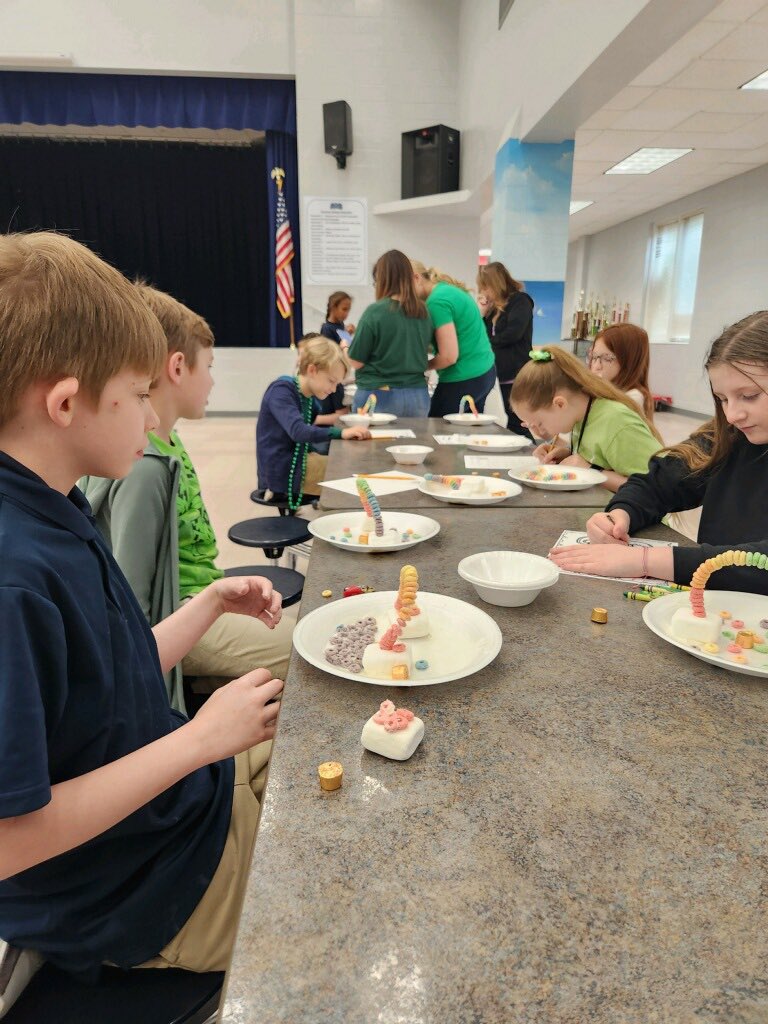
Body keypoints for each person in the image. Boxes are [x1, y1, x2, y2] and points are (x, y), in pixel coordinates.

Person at [0, 232, 283, 988]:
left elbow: (101, 682)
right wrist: (198, 741)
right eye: (137, 395)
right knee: (349, 896)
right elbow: (8, 840)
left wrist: (207, 604)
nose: (151, 419)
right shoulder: (13, 578)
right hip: (145, 886)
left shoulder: (51, 505)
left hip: (176, 810)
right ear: (66, 403)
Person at [81, 283, 295, 710]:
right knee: (311, 652)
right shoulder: (145, 466)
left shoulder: (167, 442)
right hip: (180, 618)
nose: (213, 380)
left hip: (201, 598)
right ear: (178, 366)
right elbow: (135, 608)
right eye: (209, 366)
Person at [549, 311, 768, 594]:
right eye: (723, 399)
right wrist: (620, 514)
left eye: (749, 396)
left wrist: (647, 560)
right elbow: (658, 482)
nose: (732, 414)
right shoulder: (727, 436)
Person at [510, 346, 664, 493]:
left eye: (539, 423)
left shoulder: (618, 422)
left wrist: (590, 470)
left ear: (560, 404)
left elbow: (656, 487)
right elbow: (600, 456)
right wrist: (568, 455)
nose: (539, 430)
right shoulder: (580, 415)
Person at [257, 334, 369, 508]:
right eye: (331, 381)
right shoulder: (281, 391)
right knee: (348, 475)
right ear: (312, 370)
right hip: (281, 471)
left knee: (351, 468)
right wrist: (341, 432)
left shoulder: (309, 398)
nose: (333, 389)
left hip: (299, 461)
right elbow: (299, 431)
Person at [347, 249, 433, 418]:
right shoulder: (424, 311)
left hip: (378, 394)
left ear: (381, 280)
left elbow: (356, 361)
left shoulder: (375, 312)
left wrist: (344, 348)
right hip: (417, 396)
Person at [411, 260, 497, 418]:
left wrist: (418, 367)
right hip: (484, 372)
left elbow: (449, 356)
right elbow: (455, 337)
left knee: (434, 427)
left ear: (416, 278)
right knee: (468, 428)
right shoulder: (447, 290)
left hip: (463, 377)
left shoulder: (436, 302)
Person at [476, 261, 534, 437]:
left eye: (486, 287)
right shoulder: (494, 309)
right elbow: (482, 336)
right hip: (498, 374)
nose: (484, 292)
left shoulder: (521, 301)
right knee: (507, 420)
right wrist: (483, 313)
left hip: (516, 373)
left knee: (517, 421)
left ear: (496, 284)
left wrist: (489, 343)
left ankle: (530, 451)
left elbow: (513, 333)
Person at [587, 323, 655, 421]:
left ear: (629, 362)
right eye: (594, 357)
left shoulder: (633, 398)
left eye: (607, 358)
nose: (596, 366)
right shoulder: (606, 391)